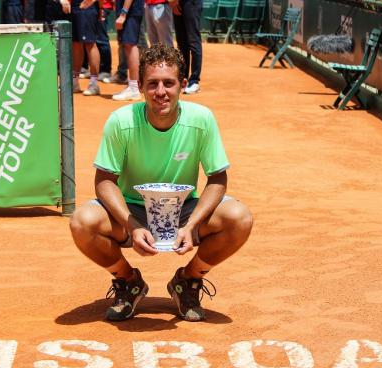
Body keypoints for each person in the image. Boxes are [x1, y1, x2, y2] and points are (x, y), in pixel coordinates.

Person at [69, 44, 253, 322]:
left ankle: (188, 281)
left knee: (239, 219)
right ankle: (128, 281)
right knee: (81, 222)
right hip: (132, 209)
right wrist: (132, 225)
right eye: (152, 84)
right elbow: (105, 180)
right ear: (141, 86)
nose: (160, 92)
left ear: (182, 84)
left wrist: (191, 226)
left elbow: (217, 178)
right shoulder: (121, 121)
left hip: (185, 211)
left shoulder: (201, 119)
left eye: (169, 83)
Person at [111, 0, 145, 100]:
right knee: (128, 45)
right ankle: (133, 86)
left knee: (130, 45)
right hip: (129, 11)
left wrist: (123, 13)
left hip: (130, 12)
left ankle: (134, 88)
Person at [169, 0, 202, 94]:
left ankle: (194, 82)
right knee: (182, 43)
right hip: (177, 3)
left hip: (191, 3)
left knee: (193, 41)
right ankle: (183, 80)